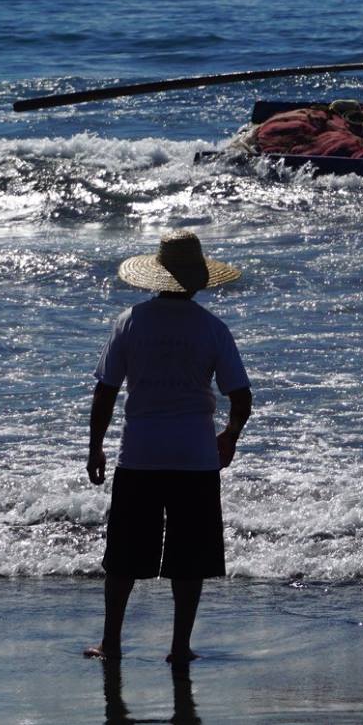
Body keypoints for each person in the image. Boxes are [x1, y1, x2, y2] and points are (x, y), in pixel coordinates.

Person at [85, 230, 253, 666]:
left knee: (123, 557)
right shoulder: (212, 329)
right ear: (197, 281)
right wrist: (229, 435)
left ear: (156, 277)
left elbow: (105, 391)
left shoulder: (131, 321)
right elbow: (241, 395)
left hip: (140, 454)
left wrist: (95, 448)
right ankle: (179, 647)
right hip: (194, 458)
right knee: (189, 558)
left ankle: (112, 642)